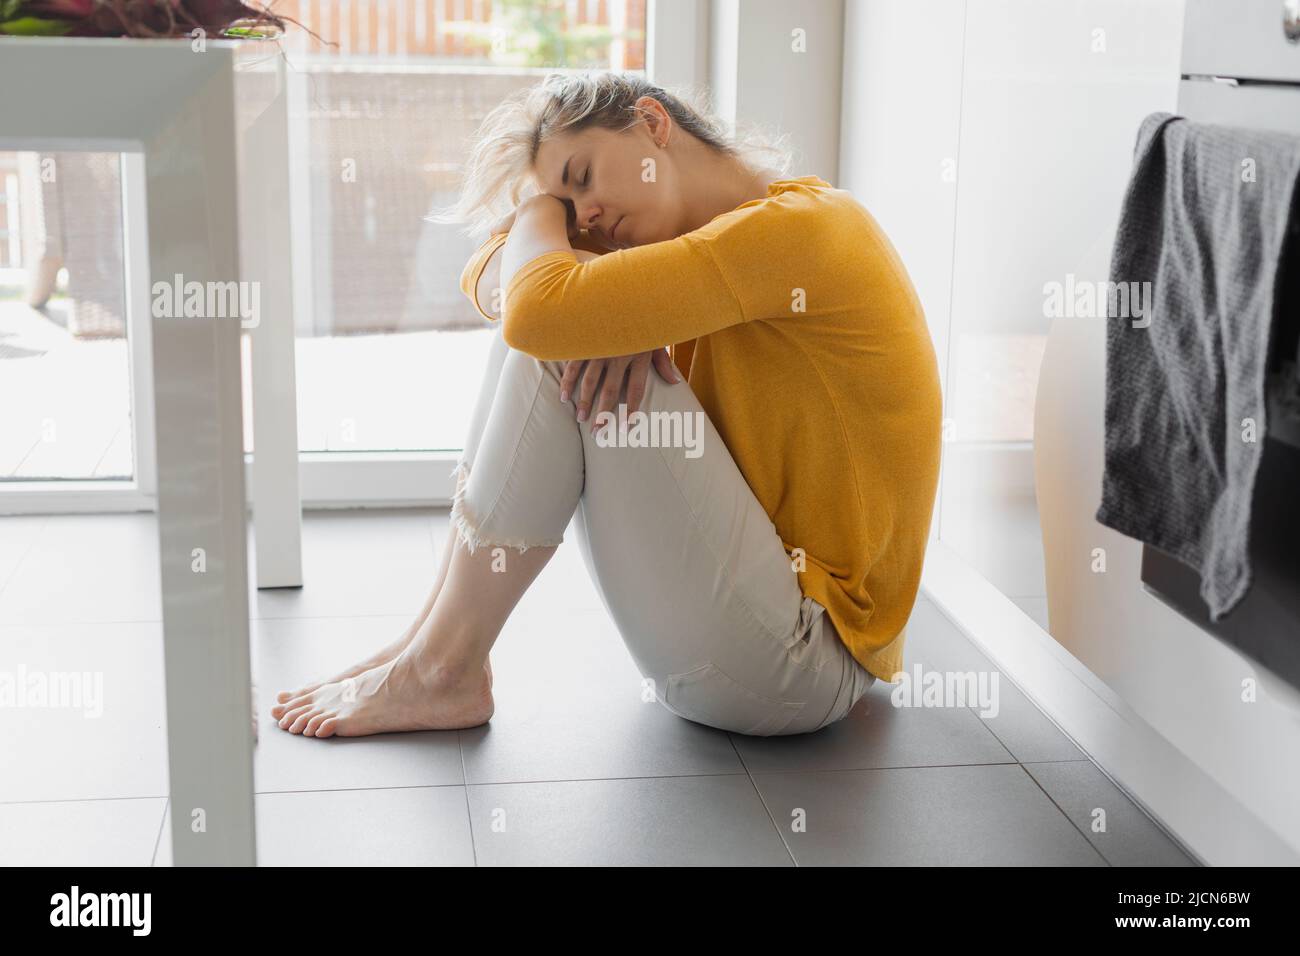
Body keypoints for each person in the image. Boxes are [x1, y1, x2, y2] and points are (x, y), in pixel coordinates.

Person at [271, 71, 943, 739]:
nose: (583, 215)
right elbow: (485, 280)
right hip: (744, 643)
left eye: (583, 178)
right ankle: (429, 644)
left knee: (560, 340)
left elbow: (535, 310)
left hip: (802, 662)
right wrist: (578, 274)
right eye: (567, 206)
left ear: (652, 123)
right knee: (562, 333)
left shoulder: (802, 230)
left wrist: (543, 222)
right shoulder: (678, 245)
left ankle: (444, 667)